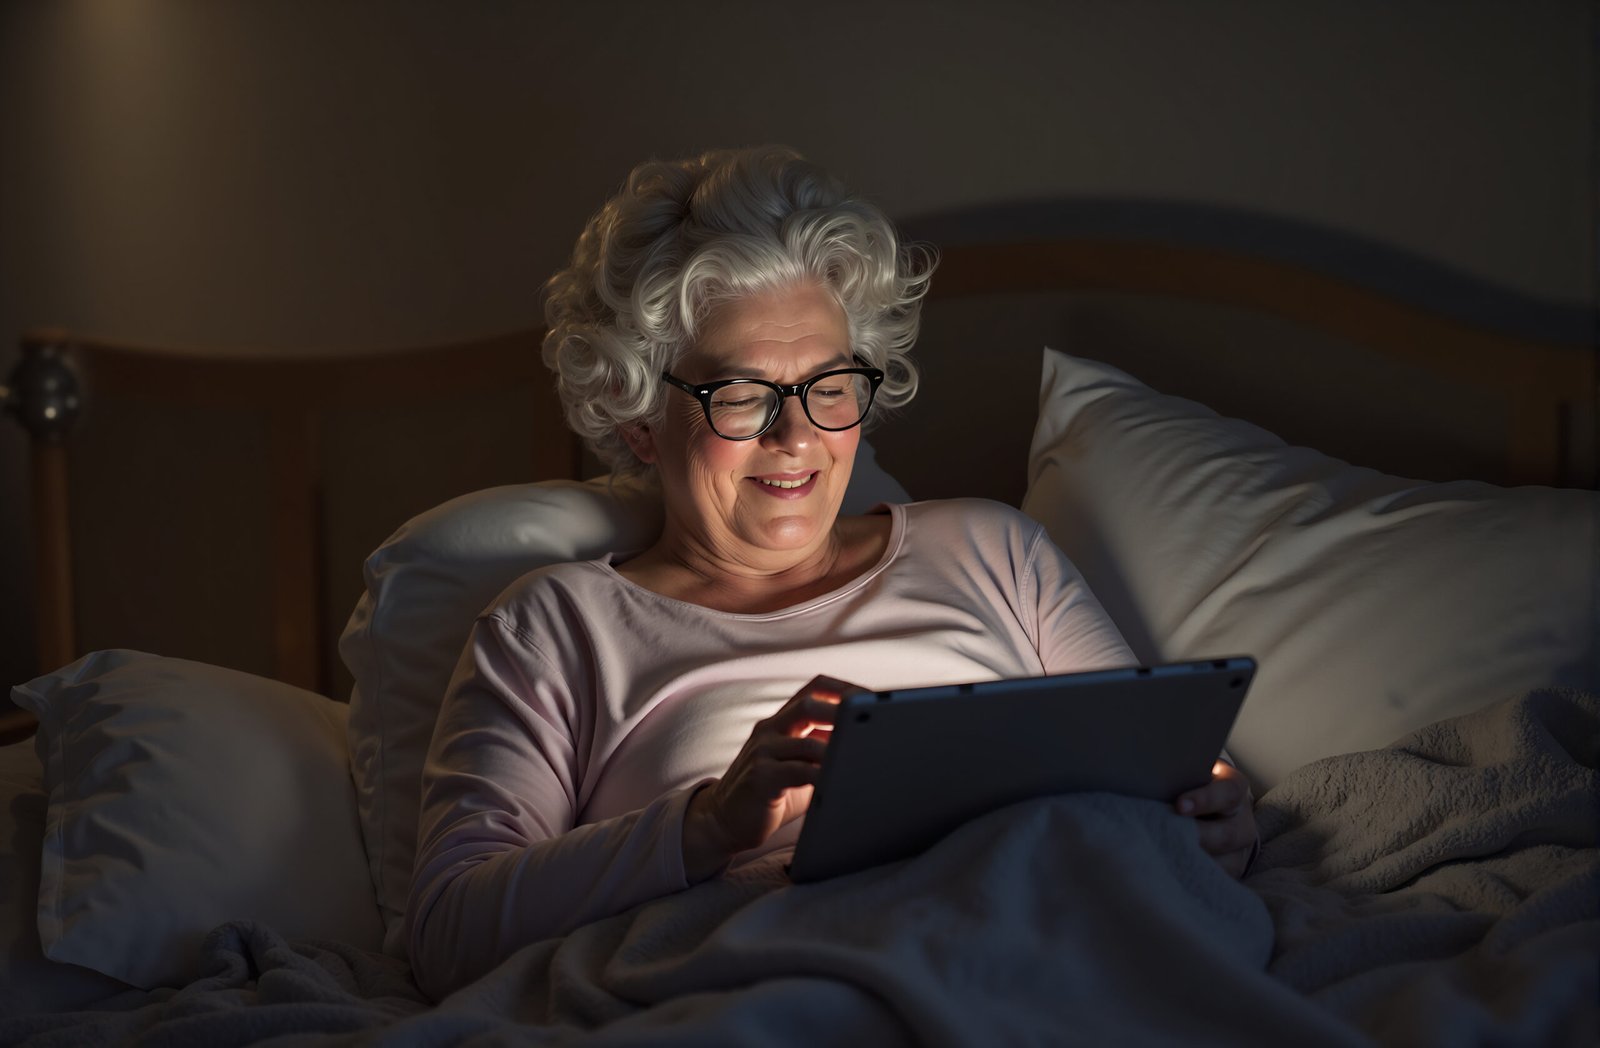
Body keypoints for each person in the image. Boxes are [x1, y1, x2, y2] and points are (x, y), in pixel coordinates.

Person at [405, 146, 1257, 998]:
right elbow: (446, 935)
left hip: (1052, 940)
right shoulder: (556, 625)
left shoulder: (995, 553)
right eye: (741, 395)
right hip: (778, 974)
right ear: (639, 419)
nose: (797, 438)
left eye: (830, 386)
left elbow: (1159, 781)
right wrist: (709, 826)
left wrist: (1216, 823)